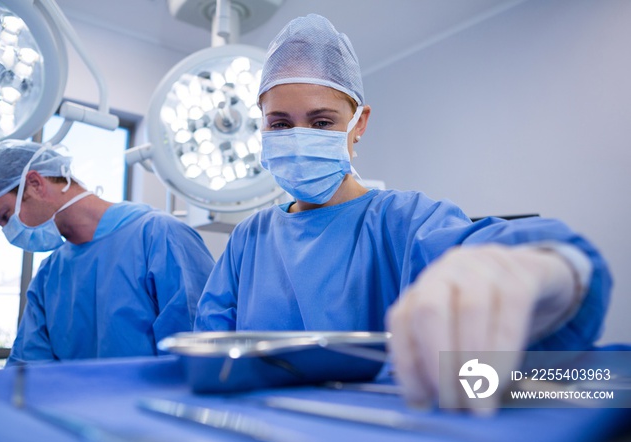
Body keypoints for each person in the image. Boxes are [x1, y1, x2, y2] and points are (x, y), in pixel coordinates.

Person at [195, 14, 612, 411]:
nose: (299, 138)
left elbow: (498, 249)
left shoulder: (405, 221)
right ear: (262, 127)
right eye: (280, 124)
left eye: (321, 122)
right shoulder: (248, 240)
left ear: (360, 123)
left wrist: (552, 270)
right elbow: (210, 359)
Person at [0, 140, 215, 366]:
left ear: (34, 184)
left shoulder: (159, 236)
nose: (9, 232)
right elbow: (27, 372)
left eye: (5, 217)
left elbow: (199, 353)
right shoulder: (48, 276)